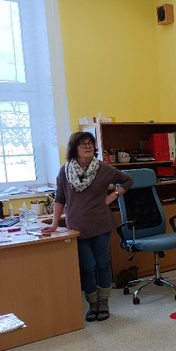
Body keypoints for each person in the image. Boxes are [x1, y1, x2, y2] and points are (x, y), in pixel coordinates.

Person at [42, 131, 133, 322]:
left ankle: (104, 302)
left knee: (102, 264)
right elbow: (60, 198)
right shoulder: (65, 171)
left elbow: (127, 180)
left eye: (90, 143)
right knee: (86, 267)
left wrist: (111, 197)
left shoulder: (103, 168)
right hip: (76, 226)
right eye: (83, 144)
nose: (88, 147)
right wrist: (54, 223)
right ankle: (92, 304)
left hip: (101, 224)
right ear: (74, 148)